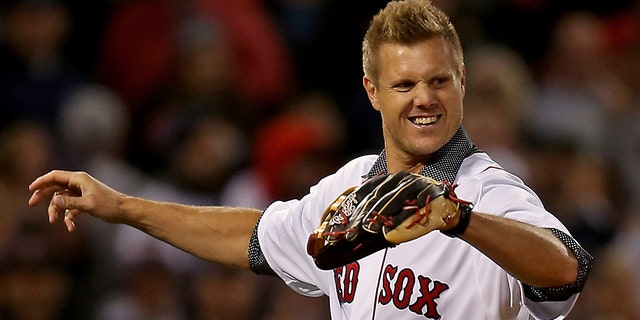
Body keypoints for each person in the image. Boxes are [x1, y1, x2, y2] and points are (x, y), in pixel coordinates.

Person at [28, 0, 593, 319]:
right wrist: (123, 206)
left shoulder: (489, 191)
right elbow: (250, 236)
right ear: (372, 91)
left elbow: (567, 269)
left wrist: (458, 218)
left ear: (462, 84)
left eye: (439, 80)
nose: (425, 98)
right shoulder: (349, 187)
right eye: (405, 84)